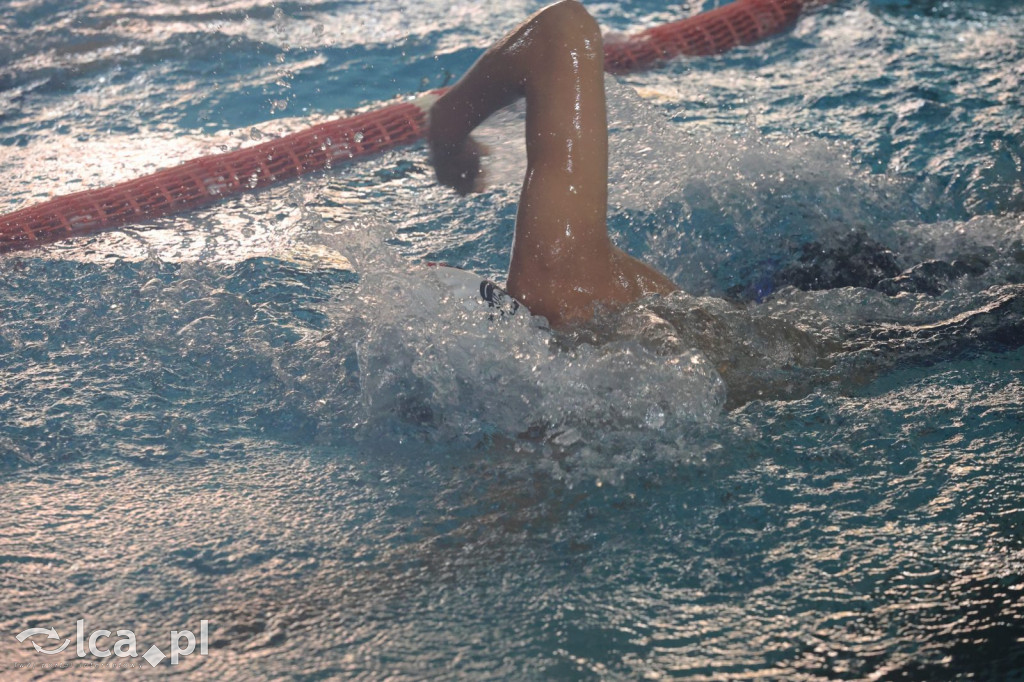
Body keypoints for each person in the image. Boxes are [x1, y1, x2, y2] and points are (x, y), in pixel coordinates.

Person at [427, 0, 677, 329]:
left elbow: (561, 29)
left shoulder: (568, 289)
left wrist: (446, 134)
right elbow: (559, 30)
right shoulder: (569, 285)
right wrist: (446, 132)